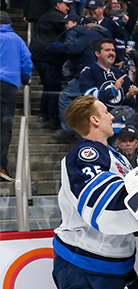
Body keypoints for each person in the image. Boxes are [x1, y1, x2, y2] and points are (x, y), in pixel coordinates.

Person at [52, 94, 138, 289]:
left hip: (113, 265)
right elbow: (104, 210)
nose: (110, 116)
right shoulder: (86, 155)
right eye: (105, 112)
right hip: (85, 265)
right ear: (93, 120)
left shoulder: (113, 155)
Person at [0, 11, 32, 182]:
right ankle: (1, 166)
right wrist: (25, 79)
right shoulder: (17, 39)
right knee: (4, 126)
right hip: (8, 86)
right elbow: (27, 62)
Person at [30, 0, 68, 130]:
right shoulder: (56, 16)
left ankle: (44, 112)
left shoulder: (46, 16)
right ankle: (52, 117)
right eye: (65, 5)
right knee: (53, 86)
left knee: (48, 85)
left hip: (40, 55)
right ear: (58, 5)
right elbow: (68, 27)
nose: (68, 8)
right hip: (49, 56)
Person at [79, 38, 138, 112]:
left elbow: (129, 105)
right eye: (107, 50)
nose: (111, 53)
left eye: (113, 50)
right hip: (99, 117)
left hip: (121, 118)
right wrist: (113, 90)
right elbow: (89, 97)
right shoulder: (89, 71)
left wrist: (129, 97)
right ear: (97, 54)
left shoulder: (121, 74)